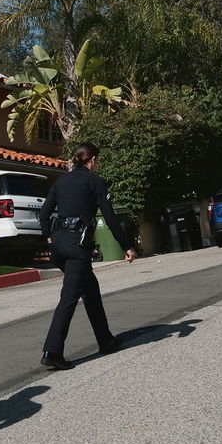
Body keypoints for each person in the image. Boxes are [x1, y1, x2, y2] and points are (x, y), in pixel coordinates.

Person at [38, 141, 136, 370]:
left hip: (58, 245)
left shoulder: (61, 181)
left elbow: (44, 214)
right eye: (97, 161)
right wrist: (126, 246)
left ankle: (106, 340)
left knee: (89, 289)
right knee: (69, 297)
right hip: (76, 248)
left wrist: (49, 238)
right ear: (92, 160)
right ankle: (52, 351)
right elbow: (110, 218)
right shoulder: (95, 181)